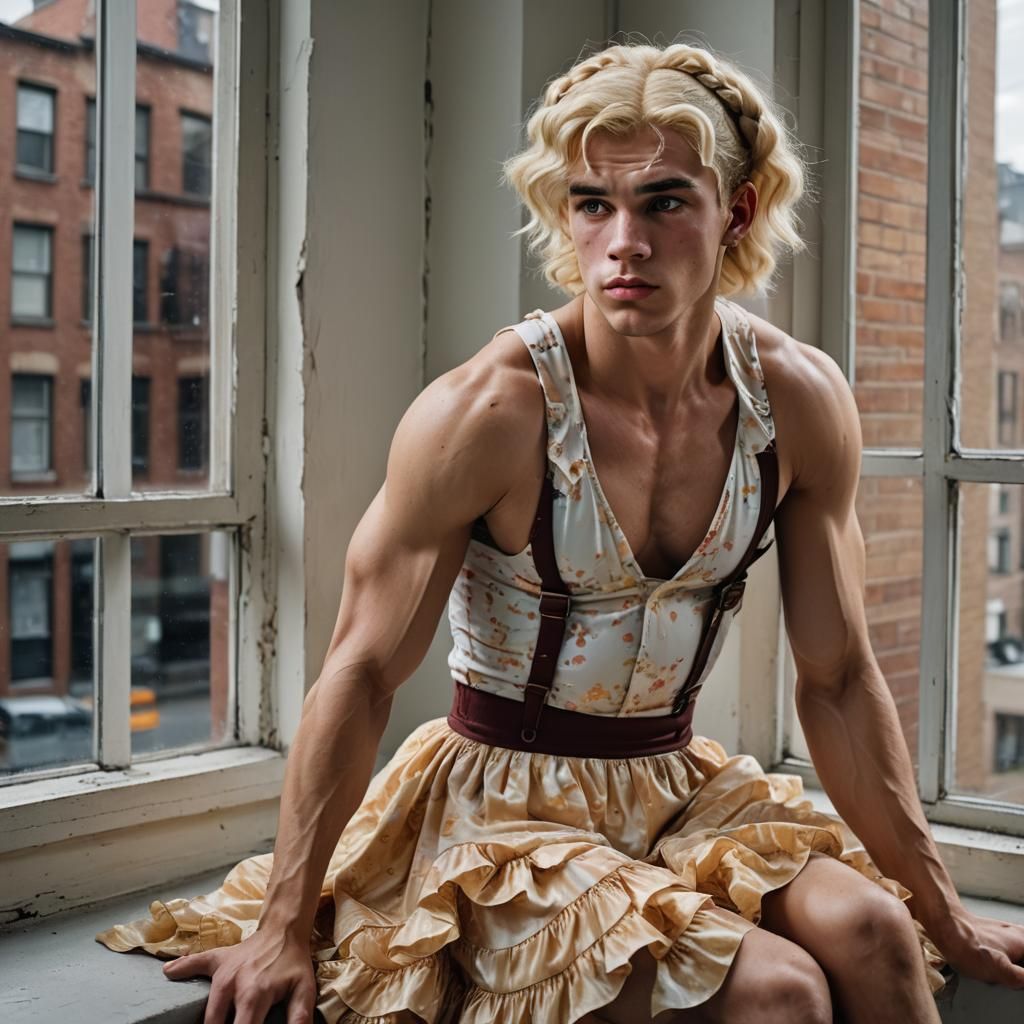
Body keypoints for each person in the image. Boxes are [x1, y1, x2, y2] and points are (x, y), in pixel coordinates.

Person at [97, 41, 1024, 1024]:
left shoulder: (795, 399)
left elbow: (836, 681)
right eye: (592, 203)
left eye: (664, 201)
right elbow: (360, 670)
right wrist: (284, 923)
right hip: (499, 806)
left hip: (675, 784)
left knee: (881, 936)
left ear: (737, 210)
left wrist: (946, 909)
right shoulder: (487, 412)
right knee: (780, 992)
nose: (623, 240)